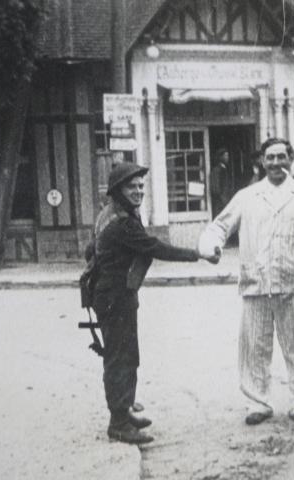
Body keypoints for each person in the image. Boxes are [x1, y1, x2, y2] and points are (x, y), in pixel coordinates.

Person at [89, 162, 218, 445]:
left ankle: (125, 409)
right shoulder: (121, 221)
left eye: (140, 187)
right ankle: (119, 423)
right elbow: (155, 248)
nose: (138, 192)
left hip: (116, 292)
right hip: (115, 296)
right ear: (117, 190)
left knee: (128, 354)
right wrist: (197, 254)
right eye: (131, 187)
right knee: (119, 358)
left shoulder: (113, 213)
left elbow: (91, 249)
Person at [199, 138, 294, 426]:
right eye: (271, 158)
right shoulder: (247, 196)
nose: (277, 163)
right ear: (262, 162)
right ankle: (258, 402)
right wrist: (211, 245)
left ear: (291, 159)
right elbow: (220, 225)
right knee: (255, 347)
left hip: (291, 280)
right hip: (255, 281)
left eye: (282, 157)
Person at [210, 148, 235, 217]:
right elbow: (215, 188)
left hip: (226, 200)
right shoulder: (217, 170)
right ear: (220, 157)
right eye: (225, 156)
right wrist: (222, 199)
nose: (227, 158)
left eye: (228, 156)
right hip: (220, 202)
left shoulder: (225, 169)